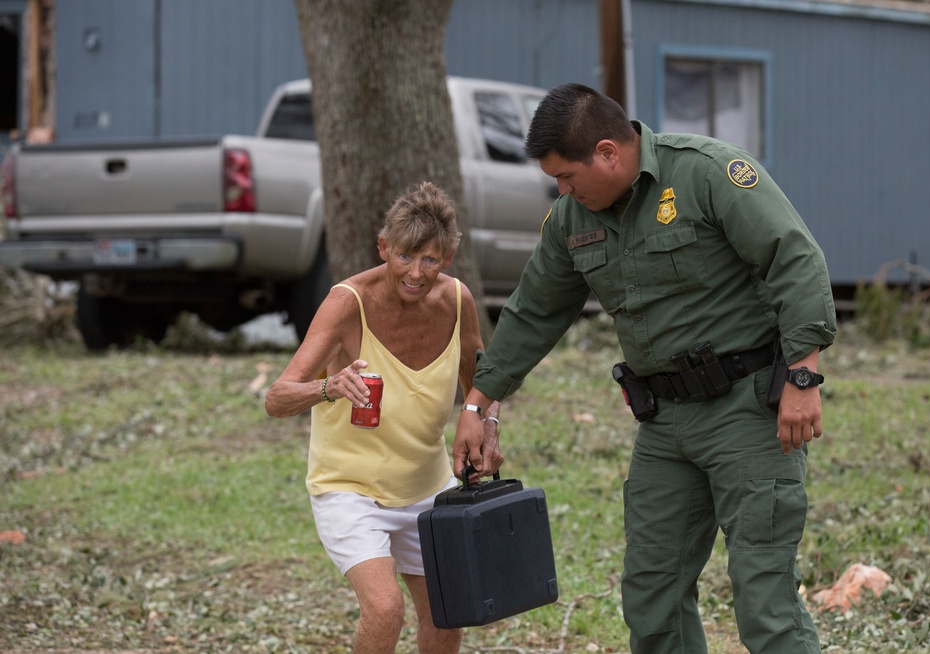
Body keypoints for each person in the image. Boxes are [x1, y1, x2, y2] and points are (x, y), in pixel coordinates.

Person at [453, 83, 837, 654]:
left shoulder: (707, 173)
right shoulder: (570, 221)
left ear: (608, 152)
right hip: (664, 424)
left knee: (765, 601)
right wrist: (478, 406)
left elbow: (794, 256)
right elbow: (533, 312)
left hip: (748, 410)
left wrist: (803, 377)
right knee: (651, 598)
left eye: (566, 176)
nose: (560, 191)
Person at [265, 181, 502, 654]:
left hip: (427, 488)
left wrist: (487, 425)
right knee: (385, 608)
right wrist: (327, 387)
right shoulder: (346, 303)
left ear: (447, 259)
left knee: (445, 613)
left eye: (430, 260)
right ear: (384, 248)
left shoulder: (457, 302)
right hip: (350, 490)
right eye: (405, 257)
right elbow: (277, 398)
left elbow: (483, 385)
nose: (416, 273)